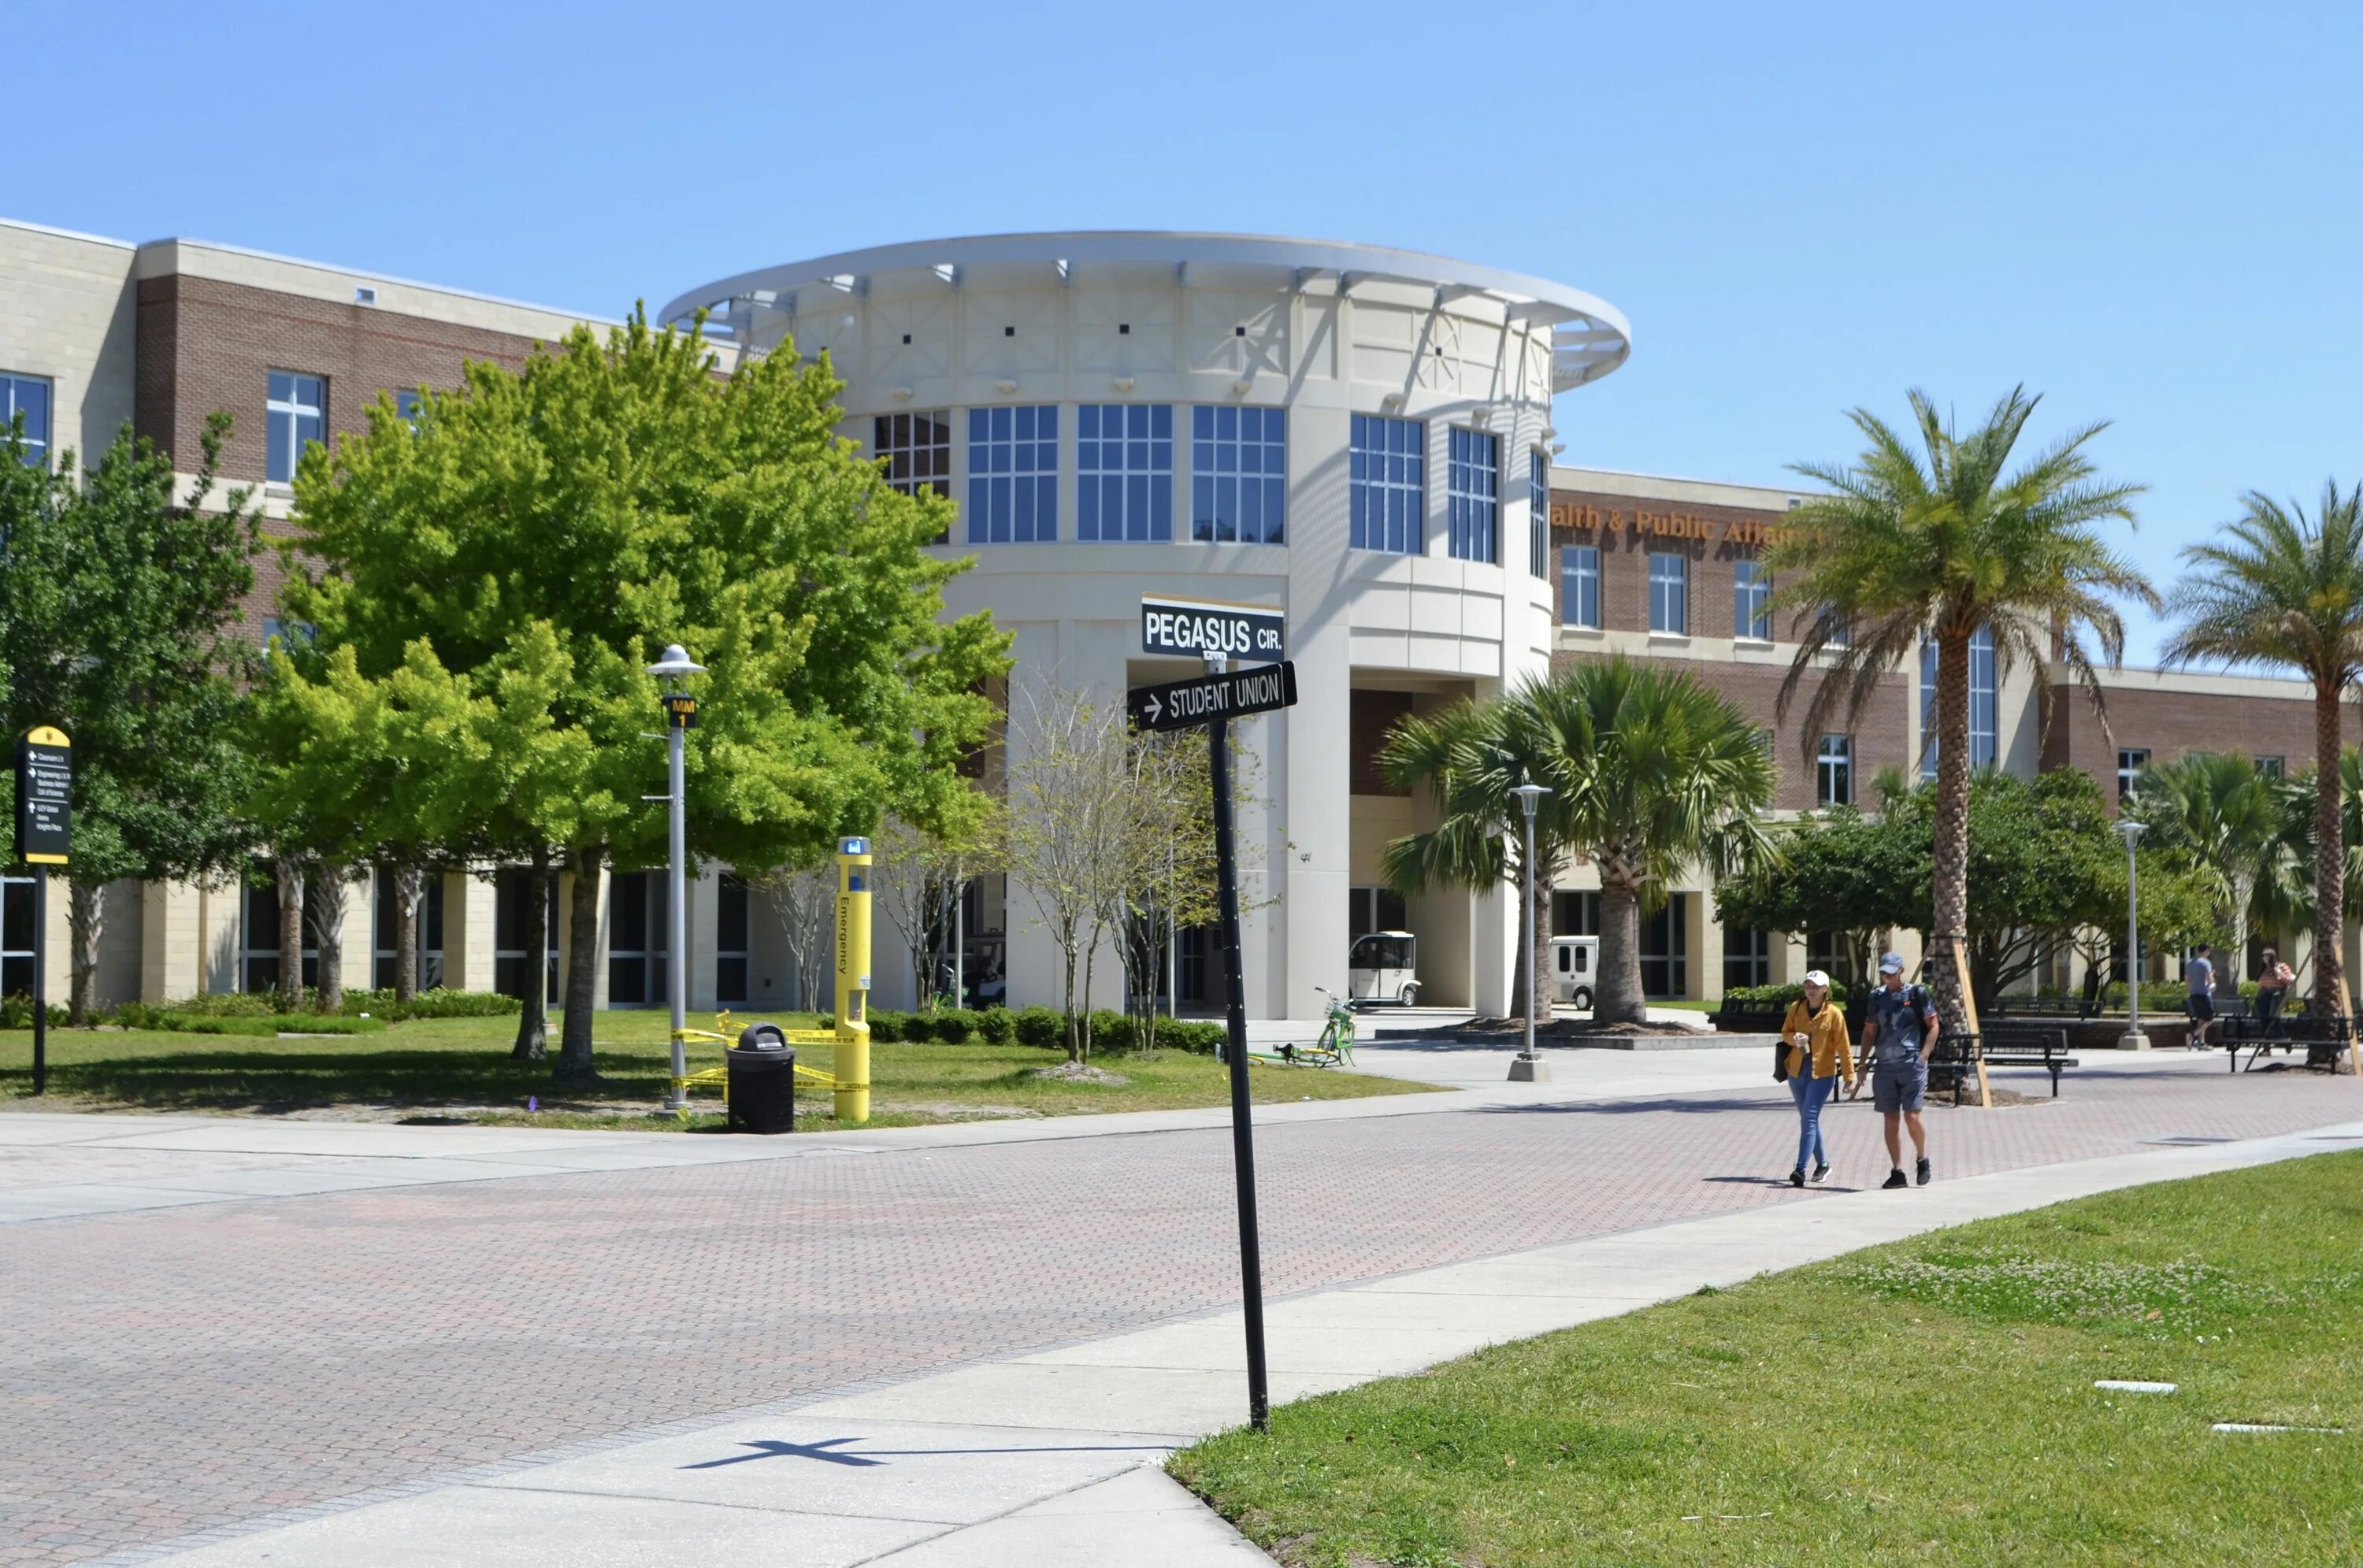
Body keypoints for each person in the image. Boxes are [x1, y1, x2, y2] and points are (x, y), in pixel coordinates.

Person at [1859, 951, 1939, 1188]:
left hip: (1911, 1064)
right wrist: (1862, 1063)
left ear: (1901, 971)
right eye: (1884, 973)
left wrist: (1924, 1054)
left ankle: (1922, 1158)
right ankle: (1897, 1171)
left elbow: (1933, 1026)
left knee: (1912, 1116)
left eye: (1891, 973)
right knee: (1890, 1118)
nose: (1887, 978)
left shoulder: (1917, 993)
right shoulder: (1877, 997)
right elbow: (1870, 1031)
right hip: (1885, 1066)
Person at [1780, 969, 1854, 1188]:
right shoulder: (1796, 1008)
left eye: (1815, 987)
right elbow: (1785, 1032)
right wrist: (1794, 1039)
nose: (1811, 990)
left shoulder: (1834, 1014)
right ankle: (1823, 1164)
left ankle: (1800, 1169)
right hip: (1797, 1071)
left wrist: (1849, 1075)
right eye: (1808, 986)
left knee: (1809, 1118)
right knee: (1807, 1119)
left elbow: (1843, 1045)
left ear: (1825, 990)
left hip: (1822, 1074)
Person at [2255, 947, 2294, 1035]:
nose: (2265, 957)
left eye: (2267, 955)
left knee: (2273, 1018)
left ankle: (2282, 1038)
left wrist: (2279, 973)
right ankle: (2266, 1041)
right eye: (2263, 955)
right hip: (2264, 994)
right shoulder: (2264, 969)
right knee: (2263, 1017)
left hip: (2276, 994)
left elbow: (2290, 981)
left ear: (2273, 956)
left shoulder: (2281, 966)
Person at [2184, 943, 2215, 1048]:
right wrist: (2213, 985)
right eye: (2209, 951)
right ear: (2206, 951)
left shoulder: (2190, 963)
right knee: (2210, 1019)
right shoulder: (2206, 963)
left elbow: (2187, 980)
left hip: (2194, 995)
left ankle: (2201, 1043)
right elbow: (2209, 977)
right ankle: (2192, 1035)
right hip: (2204, 995)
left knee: (2201, 1019)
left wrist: (2190, 991)